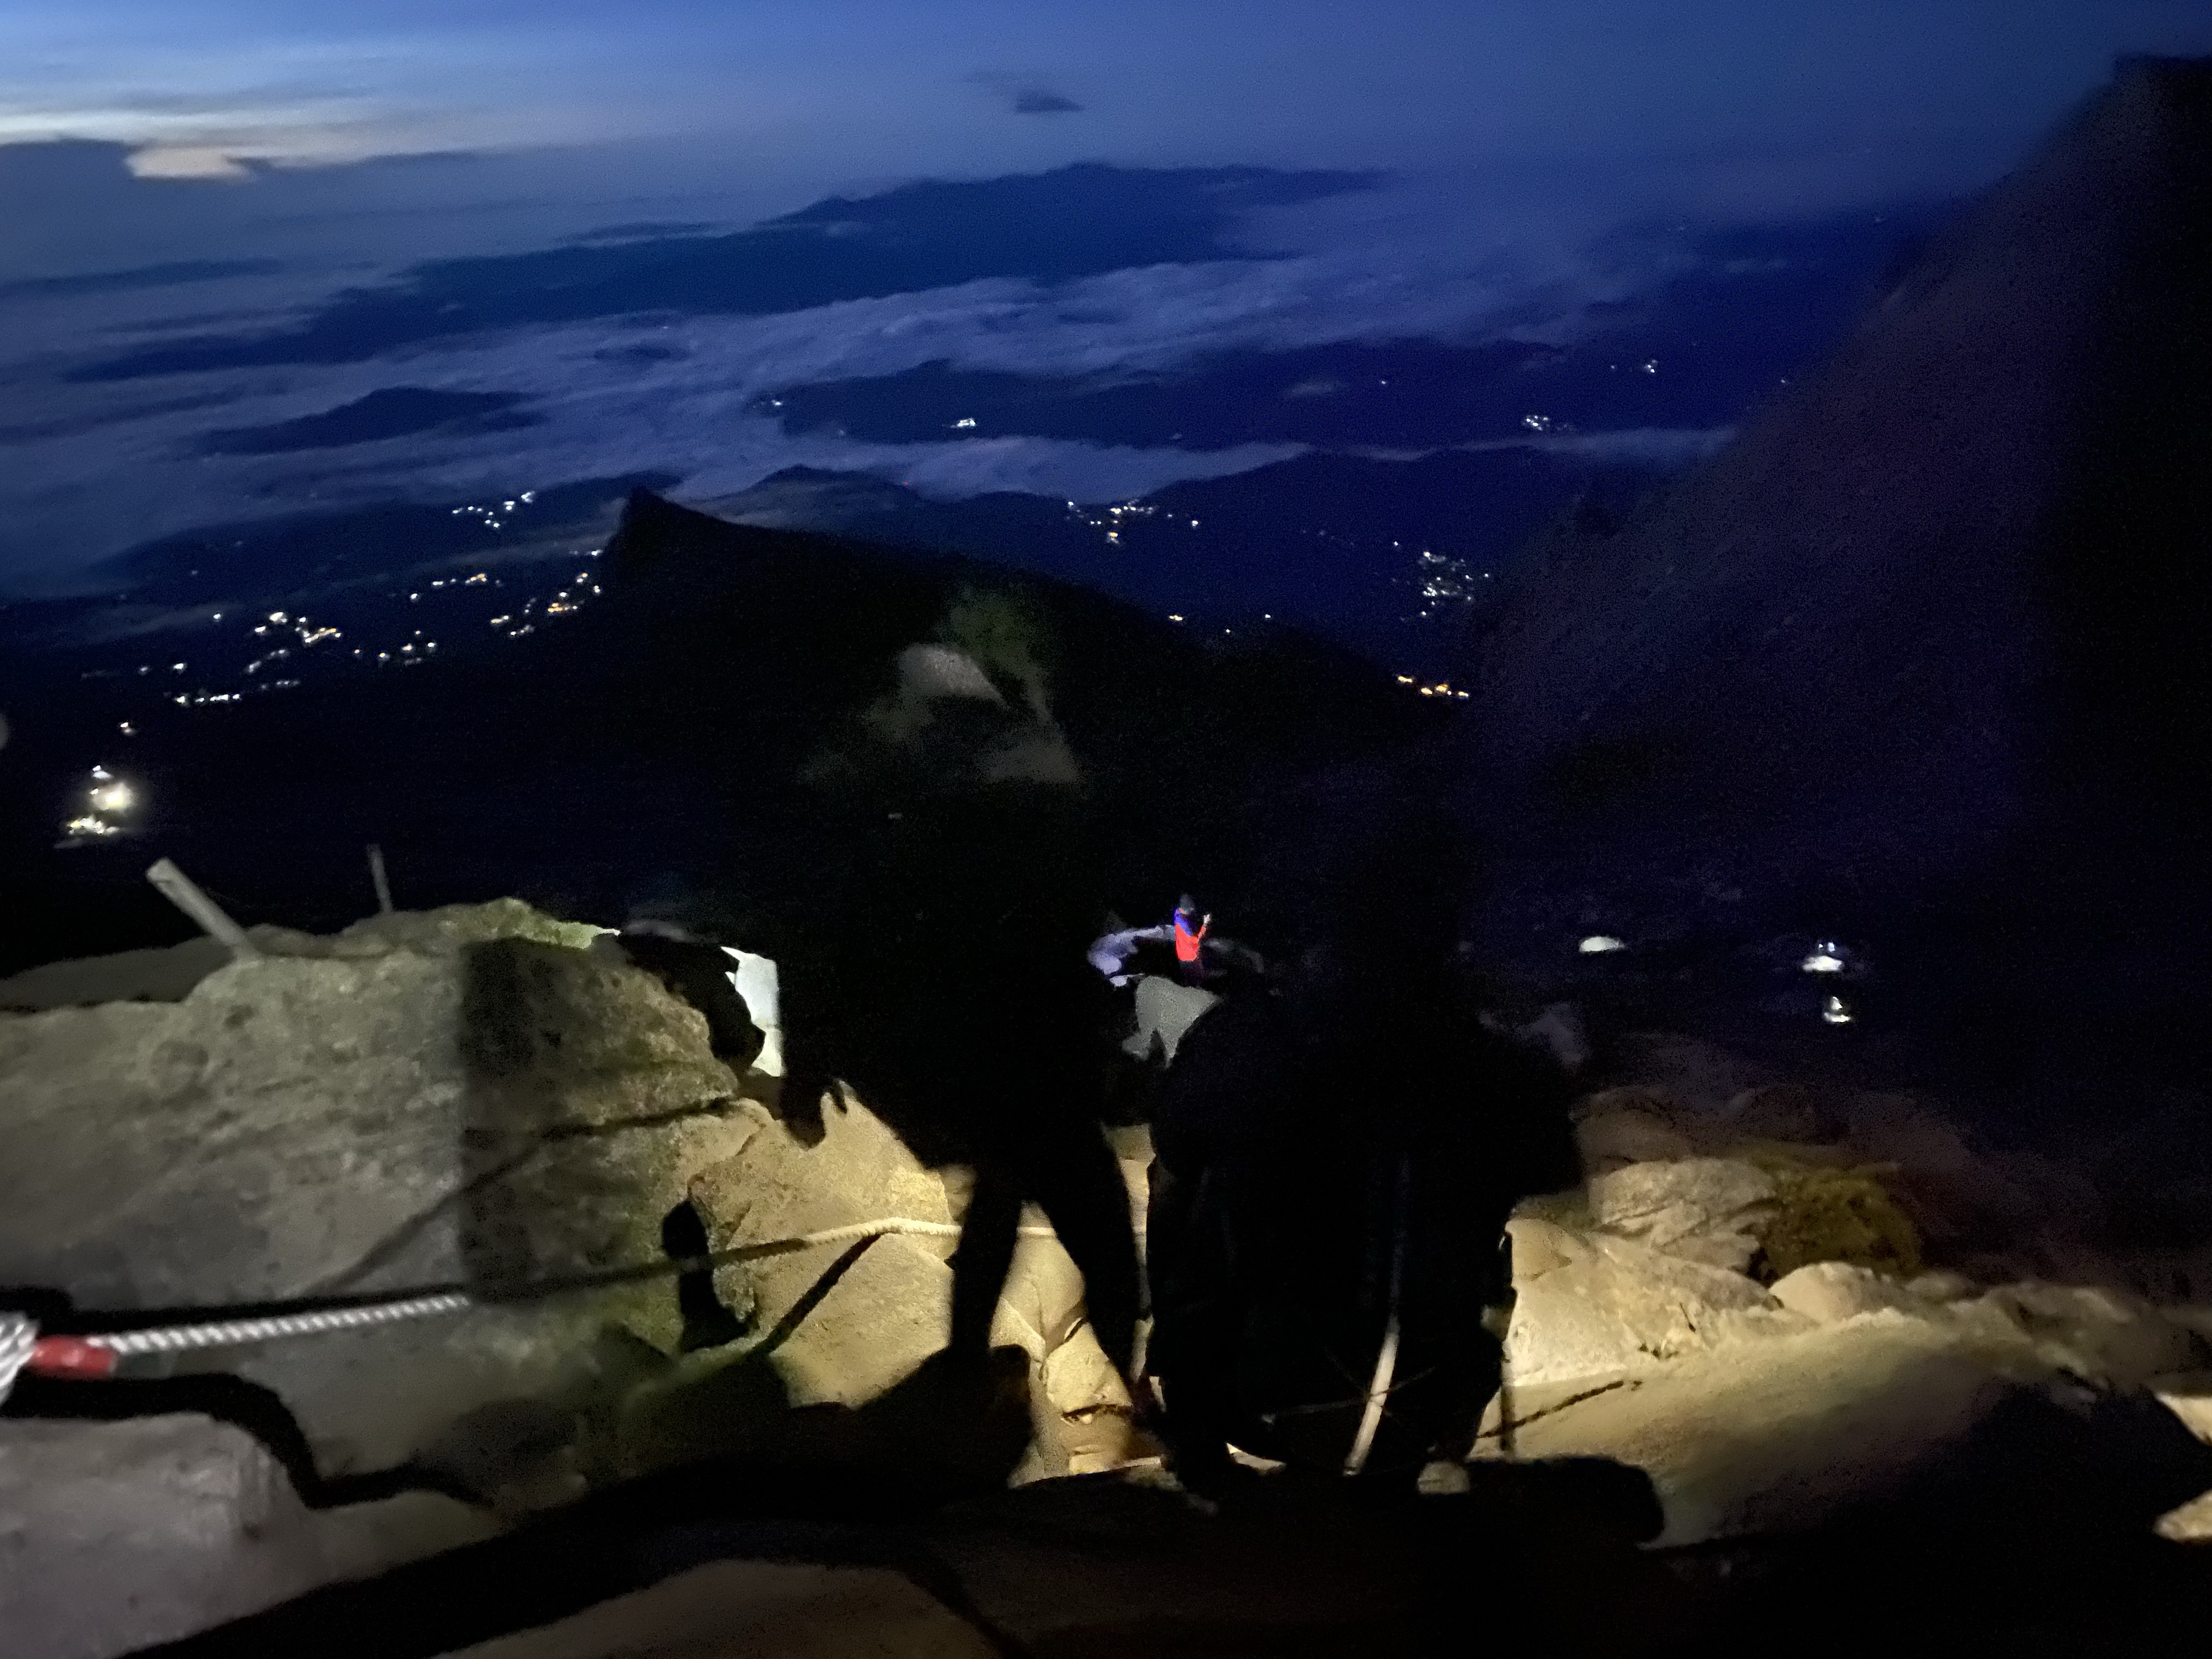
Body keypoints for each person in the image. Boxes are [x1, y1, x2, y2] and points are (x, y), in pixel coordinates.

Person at [1172, 894, 1211, 986]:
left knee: (1187, 978)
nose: (1192, 911)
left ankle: (1187, 984)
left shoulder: (1177, 914)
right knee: (1197, 978)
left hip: (1181, 955)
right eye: (1190, 909)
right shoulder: (1184, 925)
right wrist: (1205, 924)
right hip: (1191, 957)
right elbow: (1196, 940)